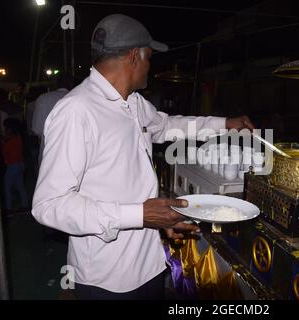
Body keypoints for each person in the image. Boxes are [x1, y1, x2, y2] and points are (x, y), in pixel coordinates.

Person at [31, 14, 254, 300]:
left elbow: (169, 125)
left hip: (148, 262)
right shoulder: (76, 112)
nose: (151, 66)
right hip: (108, 277)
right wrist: (139, 214)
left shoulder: (134, 104)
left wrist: (224, 124)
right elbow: (49, 205)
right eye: (150, 57)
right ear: (134, 56)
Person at [32, 73, 74, 165]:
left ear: (56, 83)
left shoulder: (43, 99)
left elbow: (37, 129)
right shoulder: (78, 98)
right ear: (71, 84)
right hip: (73, 153)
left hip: (48, 153)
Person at [2, 118, 28, 212]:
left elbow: (5, 151)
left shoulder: (10, 140)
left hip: (13, 166)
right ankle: (25, 205)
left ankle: (8, 208)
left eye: (6, 127)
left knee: (7, 187)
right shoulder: (18, 137)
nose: (5, 129)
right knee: (20, 186)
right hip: (20, 164)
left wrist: (4, 143)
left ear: (10, 128)